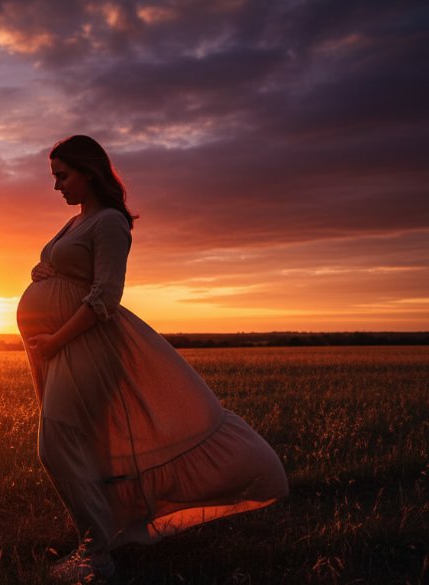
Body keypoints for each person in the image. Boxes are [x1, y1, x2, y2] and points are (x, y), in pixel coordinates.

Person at [15, 135, 289, 582]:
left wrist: (56, 340)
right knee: (81, 446)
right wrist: (41, 272)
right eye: (55, 177)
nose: (57, 186)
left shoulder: (109, 223)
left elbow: (105, 296)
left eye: (62, 176)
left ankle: (97, 558)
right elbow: (62, 268)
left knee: (56, 445)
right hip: (59, 349)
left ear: (89, 171)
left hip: (85, 347)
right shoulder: (75, 222)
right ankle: (97, 540)